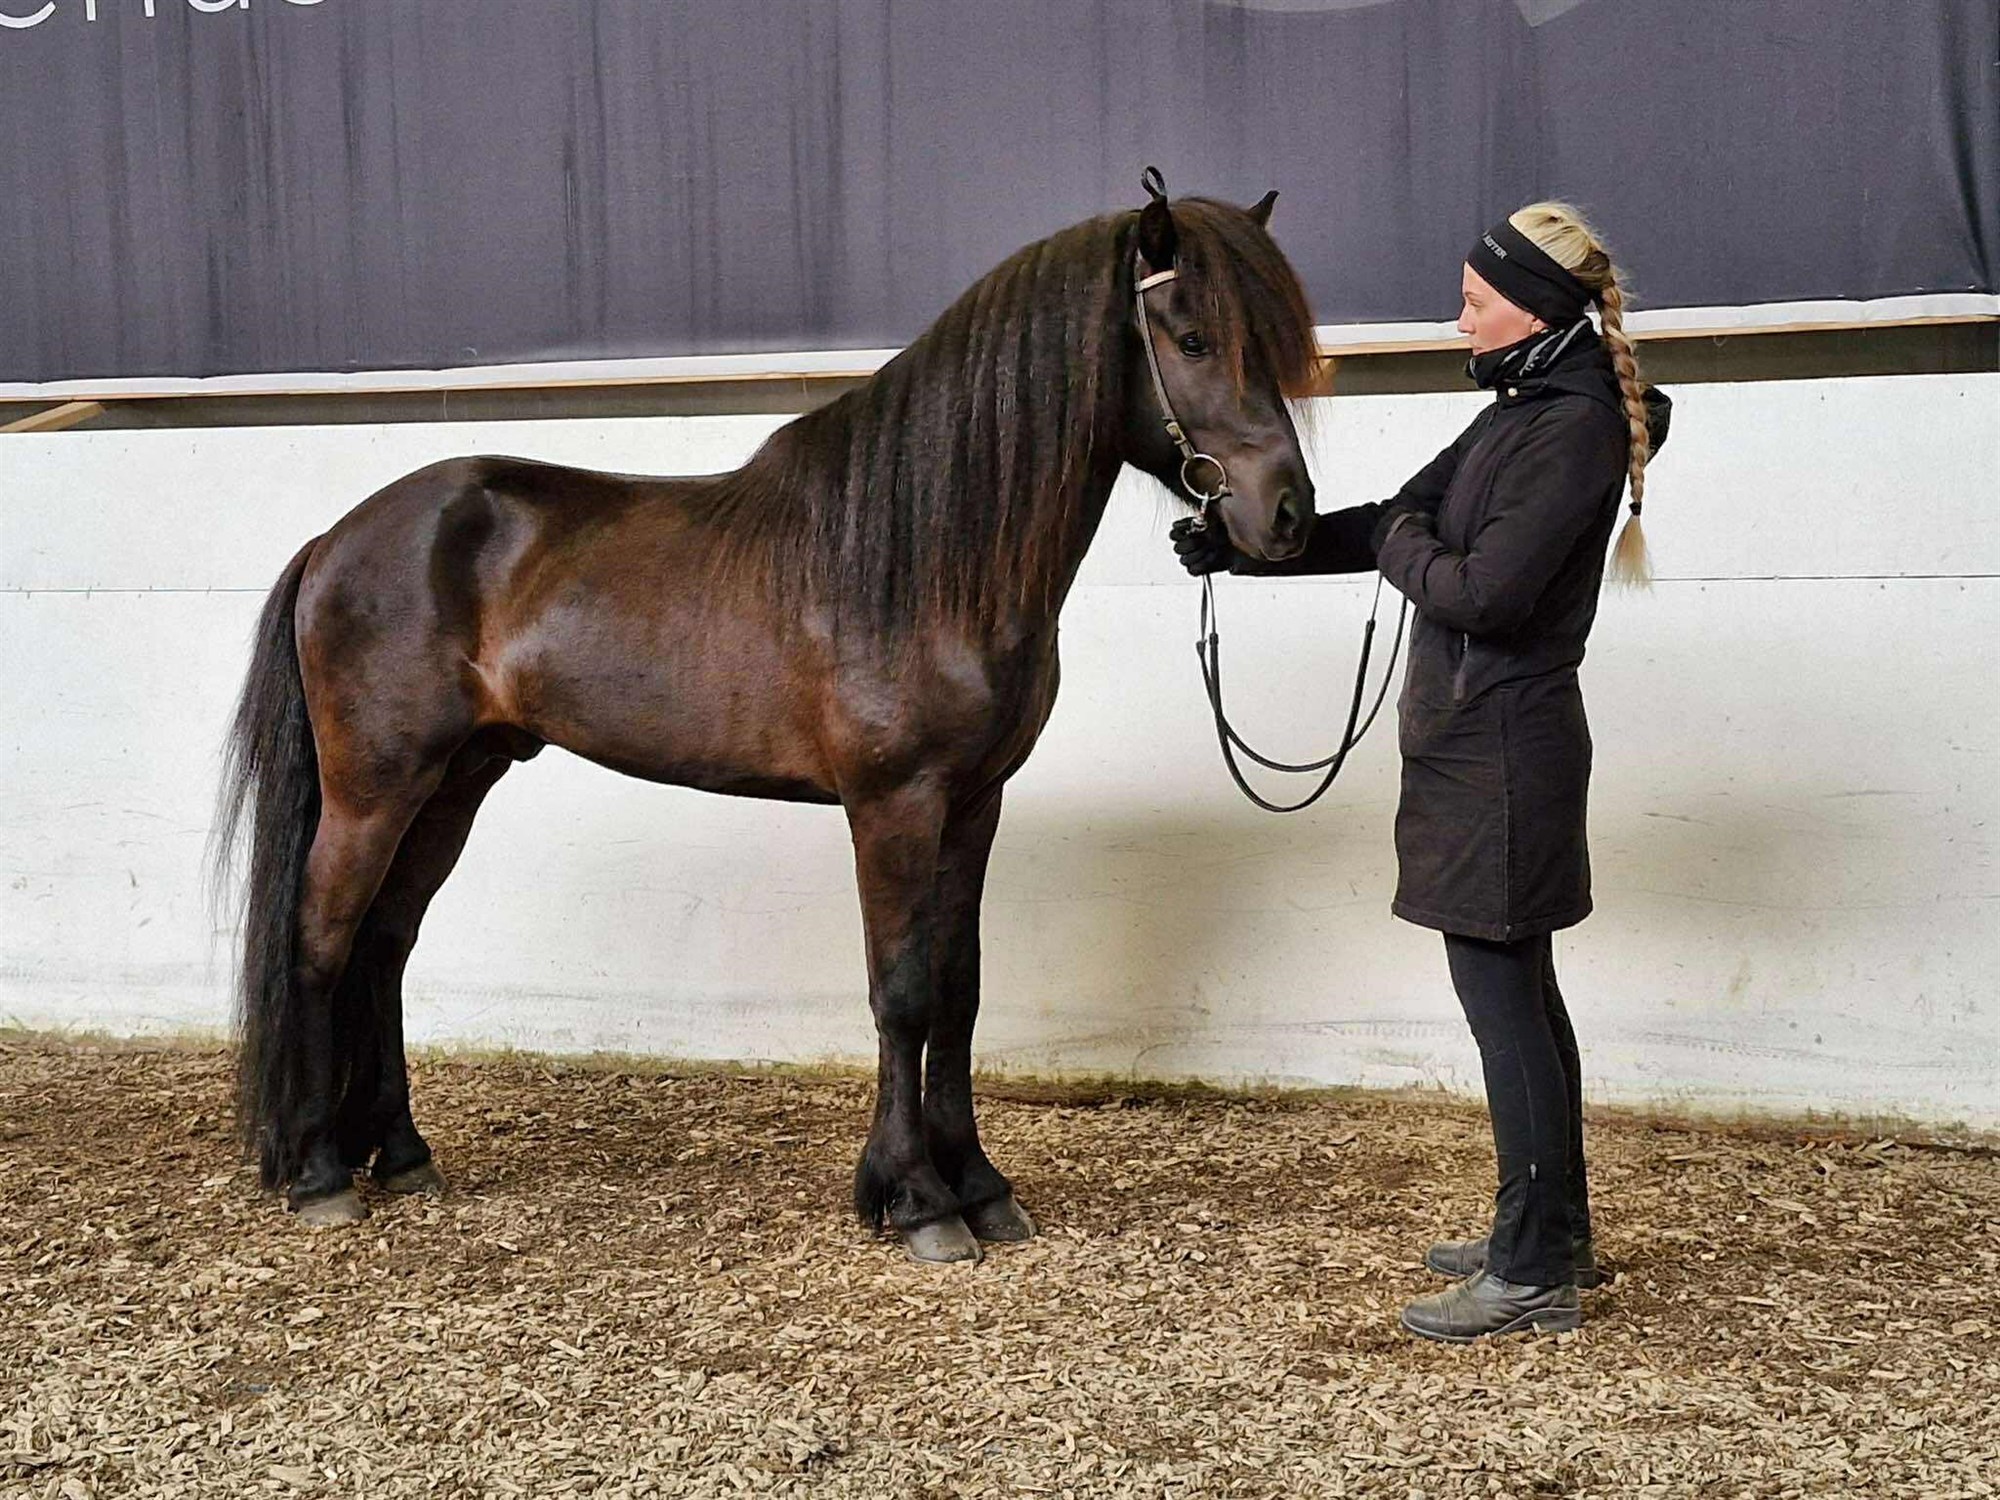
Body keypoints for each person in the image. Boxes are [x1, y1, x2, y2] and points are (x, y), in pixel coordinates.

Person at [1171, 202, 1671, 1343]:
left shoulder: (1564, 429)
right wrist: (1249, 554)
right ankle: (1544, 1231)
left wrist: (1400, 536)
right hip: (1481, 745)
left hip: (1499, 751)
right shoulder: (1528, 412)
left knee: (1505, 1008)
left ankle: (1534, 1265)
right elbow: (1399, 522)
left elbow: (1476, 592)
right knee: (1521, 1000)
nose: (1457, 316)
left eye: (1471, 299)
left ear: (1531, 308)